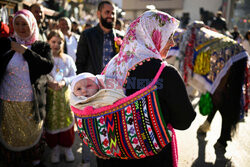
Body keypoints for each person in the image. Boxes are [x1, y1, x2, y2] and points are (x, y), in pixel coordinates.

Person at [98, 10, 196, 167]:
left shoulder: (112, 66)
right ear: (152, 35)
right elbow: (184, 121)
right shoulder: (165, 73)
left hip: (115, 155)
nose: (172, 43)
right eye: (168, 36)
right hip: (153, 157)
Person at [0, 9, 53, 167]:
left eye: (24, 24)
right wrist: (12, 48)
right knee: (10, 138)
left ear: (32, 24)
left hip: (33, 104)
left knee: (32, 139)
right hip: (8, 102)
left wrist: (24, 51)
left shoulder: (41, 46)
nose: (21, 27)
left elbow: (47, 66)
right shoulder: (4, 44)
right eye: (17, 23)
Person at [45, 29, 76, 163]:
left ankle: (67, 147)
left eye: (59, 42)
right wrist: (49, 82)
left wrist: (64, 82)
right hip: (50, 98)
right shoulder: (45, 59)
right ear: (48, 42)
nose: (56, 45)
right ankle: (55, 149)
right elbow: (41, 75)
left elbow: (73, 76)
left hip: (64, 98)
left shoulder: (67, 59)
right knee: (52, 122)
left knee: (66, 120)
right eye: (53, 42)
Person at [76, 1, 123, 75]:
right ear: (98, 14)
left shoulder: (121, 37)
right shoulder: (87, 35)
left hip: (115, 82)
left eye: (113, 13)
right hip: (93, 82)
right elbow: (80, 63)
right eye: (107, 12)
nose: (111, 16)